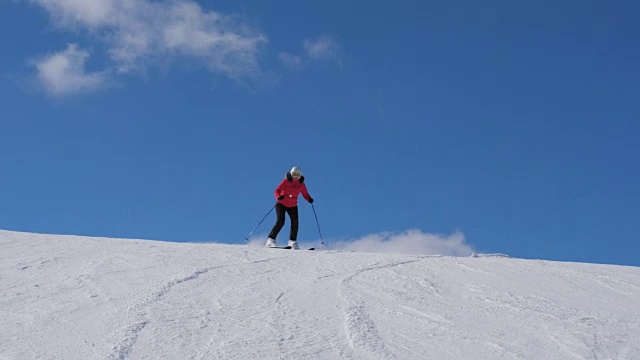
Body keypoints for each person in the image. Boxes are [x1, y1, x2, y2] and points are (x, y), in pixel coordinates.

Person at [265, 166, 314, 249]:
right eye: (294, 175)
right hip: (282, 203)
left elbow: (305, 194)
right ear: (291, 174)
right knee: (281, 221)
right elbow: (277, 190)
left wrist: (309, 199)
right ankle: (271, 239)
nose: (296, 177)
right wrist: (278, 197)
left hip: (293, 205)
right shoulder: (286, 181)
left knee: (295, 223)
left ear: (300, 176)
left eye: (298, 175)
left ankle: (292, 241)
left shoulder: (301, 184)